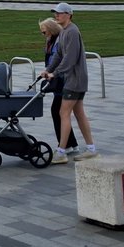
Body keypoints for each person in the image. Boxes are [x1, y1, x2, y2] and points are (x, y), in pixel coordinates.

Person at [39, 3, 99, 163]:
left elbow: (70, 59)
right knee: (79, 114)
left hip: (75, 79)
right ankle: (91, 149)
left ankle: (61, 152)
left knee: (63, 113)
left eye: (59, 13)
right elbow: (58, 55)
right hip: (74, 79)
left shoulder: (72, 31)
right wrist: (48, 69)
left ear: (68, 15)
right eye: (55, 13)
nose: (56, 16)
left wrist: (55, 73)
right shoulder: (64, 32)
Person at [39, 17, 78, 153]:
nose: (43, 35)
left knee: (58, 112)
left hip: (62, 80)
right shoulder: (51, 41)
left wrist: (52, 72)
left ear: (51, 30)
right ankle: (72, 144)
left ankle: (65, 145)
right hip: (58, 80)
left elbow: (60, 60)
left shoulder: (58, 42)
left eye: (44, 32)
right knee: (61, 112)